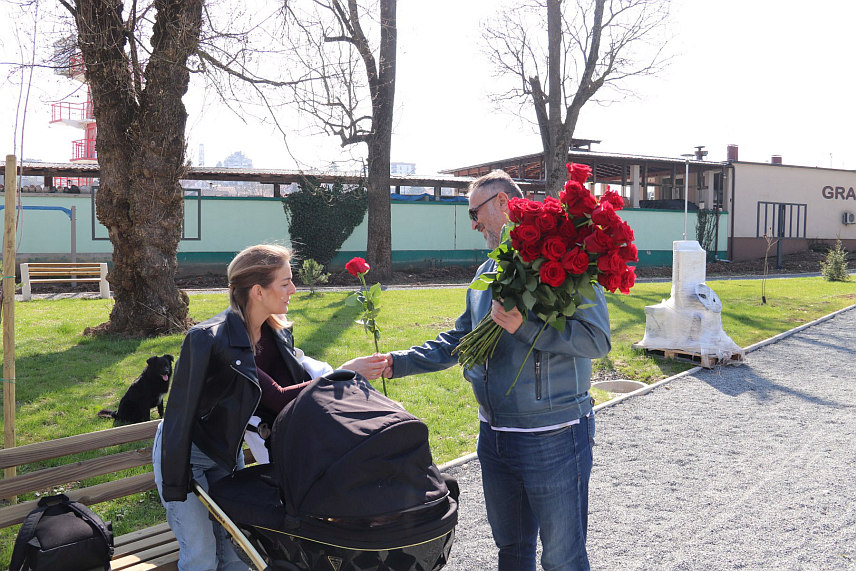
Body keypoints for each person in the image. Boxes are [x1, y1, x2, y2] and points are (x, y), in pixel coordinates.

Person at [381, 170, 612, 571]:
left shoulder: (563, 263)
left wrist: (527, 327)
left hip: (553, 437)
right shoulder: (484, 274)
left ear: (504, 203)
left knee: (563, 558)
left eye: (475, 211)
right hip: (495, 437)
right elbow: (459, 340)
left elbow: (597, 341)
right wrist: (397, 362)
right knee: (512, 550)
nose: (473, 223)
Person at [154, 244, 387, 571]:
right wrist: (343, 373)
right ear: (258, 291)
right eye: (285, 282)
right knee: (202, 555)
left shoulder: (278, 333)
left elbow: (287, 401)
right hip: (187, 456)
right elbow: (182, 415)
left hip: (226, 452)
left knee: (237, 549)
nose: (293, 289)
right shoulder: (207, 339)